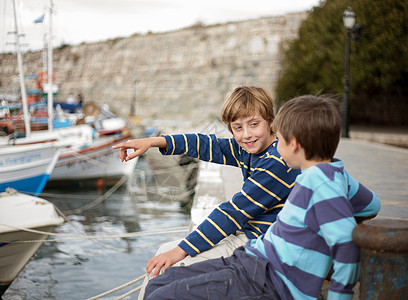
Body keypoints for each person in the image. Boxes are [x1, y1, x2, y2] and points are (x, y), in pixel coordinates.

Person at [143, 94, 381, 300]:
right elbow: (372, 204)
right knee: (158, 284)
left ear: (294, 145)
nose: (276, 147)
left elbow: (347, 247)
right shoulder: (330, 176)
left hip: (271, 279)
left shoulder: (316, 183)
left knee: (163, 292)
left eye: (280, 140)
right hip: (257, 258)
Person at [112, 86, 300, 298]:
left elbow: (232, 213)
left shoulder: (275, 163)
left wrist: (180, 250)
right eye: (237, 128)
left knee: (170, 264)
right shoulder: (248, 149)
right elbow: (204, 144)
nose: (246, 134)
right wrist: (153, 142)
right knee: (162, 254)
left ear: (271, 121)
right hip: (246, 235)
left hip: (258, 245)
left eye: (254, 124)